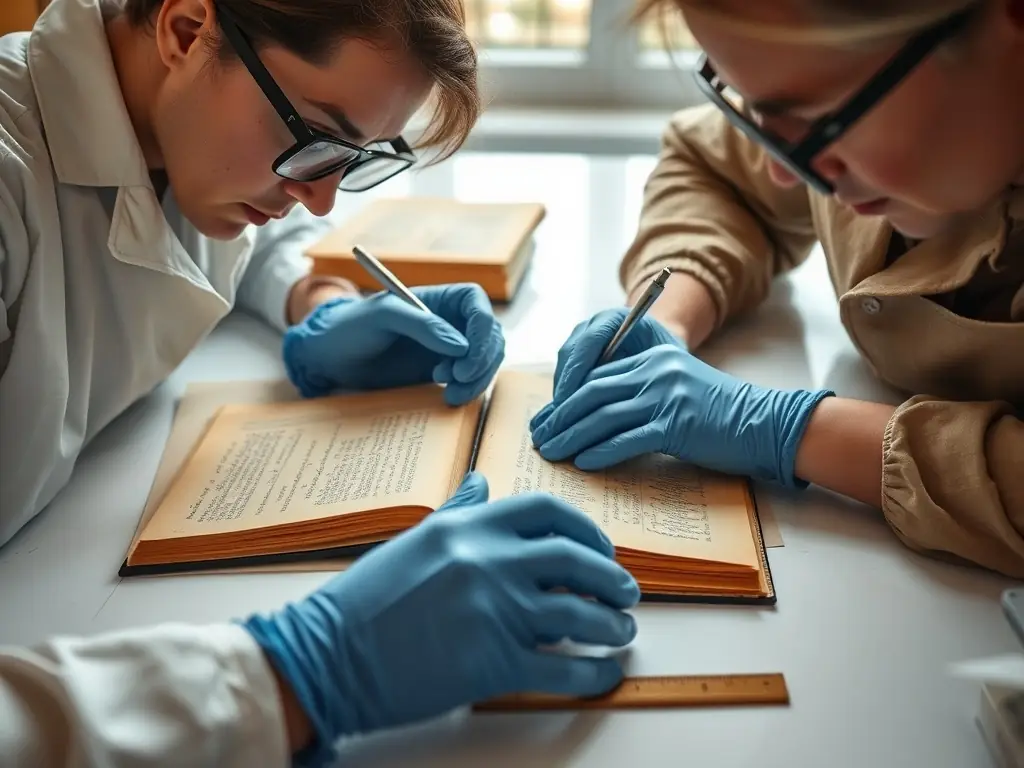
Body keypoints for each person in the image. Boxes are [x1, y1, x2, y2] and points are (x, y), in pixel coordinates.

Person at [0, 0, 640, 764]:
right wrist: (293, 676)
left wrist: (323, 305)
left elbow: (258, 234)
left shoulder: (184, 129)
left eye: (356, 158)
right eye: (313, 139)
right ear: (184, 29)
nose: (322, 196)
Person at [532, 0, 1024, 578]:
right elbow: (713, 169)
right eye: (752, 110)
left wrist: (793, 430)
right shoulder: (864, 107)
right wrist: (669, 317)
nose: (783, 170)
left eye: (816, 118)